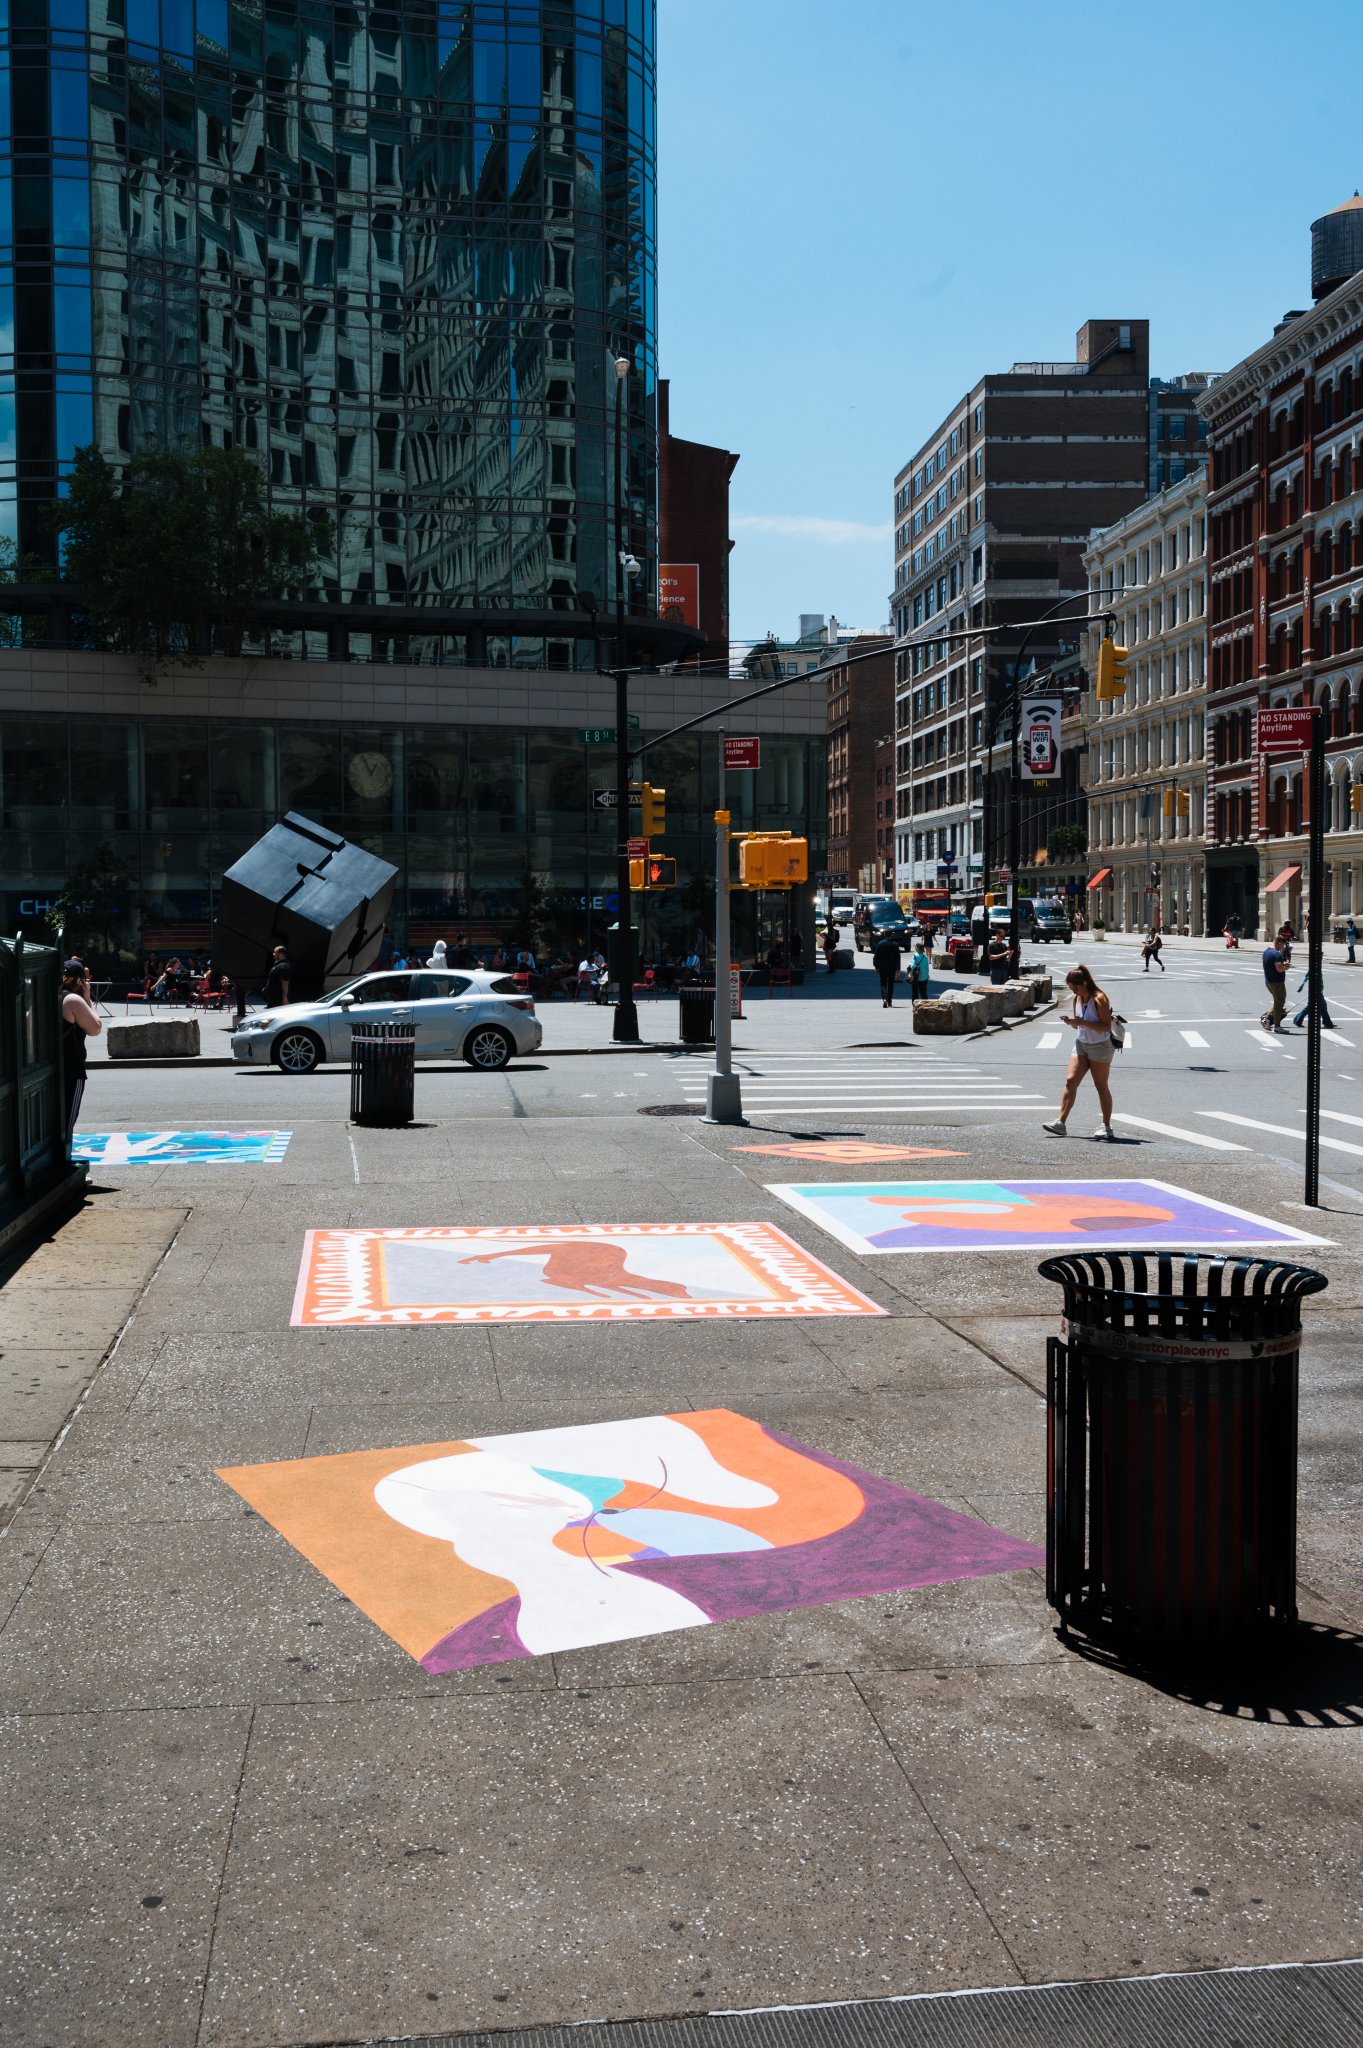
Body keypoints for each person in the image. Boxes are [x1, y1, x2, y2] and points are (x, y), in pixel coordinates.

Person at [1044, 964, 1116, 1140]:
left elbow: (1106, 1027)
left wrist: (1082, 1023)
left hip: (1100, 1046)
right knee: (1070, 1081)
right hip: (1081, 1044)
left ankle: (1106, 1126)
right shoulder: (1077, 999)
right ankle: (1060, 1123)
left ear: (1084, 983)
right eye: (1071, 988)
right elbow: (1080, 1023)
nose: (1073, 991)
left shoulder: (1099, 998)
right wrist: (1073, 1023)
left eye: (1075, 988)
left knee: (1101, 1086)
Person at [60, 962, 102, 1151]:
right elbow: (95, 1028)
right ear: (78, 981)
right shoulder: (72, 1000)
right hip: (71, 1067)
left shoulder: (49, 995)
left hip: (49, 1067)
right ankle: (65, 1156)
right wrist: (87, 998)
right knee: (68, 1117)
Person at [1293, 962, 1334, 1032]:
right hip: (1316, 990)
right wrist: (1301, 986)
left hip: (1317, 990)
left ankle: (1327, 1022)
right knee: (1314, 1006)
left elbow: (1307, 977)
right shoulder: (1314, 968)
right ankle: (1327, 1023)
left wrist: (1301, 986)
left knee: (1322, 1005)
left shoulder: (1316, 968)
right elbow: (1306, 977)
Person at [1260, 935, 1288, 1033]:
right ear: (1279, 943)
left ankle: (1267, 1019)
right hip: (1277, 982)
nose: (1283, 947)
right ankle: (1277, 1025)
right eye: (1283, 945)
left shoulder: (1266, 952)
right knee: (1279, 1003)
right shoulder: (1277, 954)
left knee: (1277, 1001)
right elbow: (1279, 969)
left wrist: (1282, 965)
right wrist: (1286, 967)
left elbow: (1273, 965)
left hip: (1269, 981)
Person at [871, 928, 901, 1007]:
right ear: (892, 935)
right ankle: (889, 1001)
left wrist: (876, 966)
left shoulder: (880, 944)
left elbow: (876, 956)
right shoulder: (895, 944)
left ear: (884, 935)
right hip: (892, 967)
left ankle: (884, 998)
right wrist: (898, 968)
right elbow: (898, 957)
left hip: (882, 967)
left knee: (883, 983)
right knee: (891, 984)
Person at [262, 944, 292, 1010]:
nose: (273, 954)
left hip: (277, 1001)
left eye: (275, 952)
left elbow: (285, 983)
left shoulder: (283, 966)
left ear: (280, 954)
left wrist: (285, 998)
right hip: (273, 1000)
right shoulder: (278, 965)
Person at [910, 934, 932, 1001]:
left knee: (915, 993)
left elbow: (912, 966)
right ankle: (925, 1005)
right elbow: (927, 967)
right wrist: (927, 975)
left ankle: (915, 1005)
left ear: (917, 948)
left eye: (915, 947)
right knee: (923, 993)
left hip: (915, 977)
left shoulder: (915, 956)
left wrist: (910, 974)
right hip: (924, 976)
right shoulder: (925, 957)